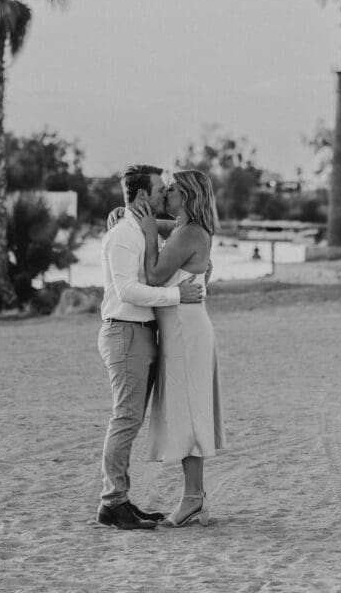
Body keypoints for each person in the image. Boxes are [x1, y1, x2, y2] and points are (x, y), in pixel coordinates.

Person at [96, 165, 204, 531]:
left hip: (144, 331)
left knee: (131, 419)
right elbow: (128, 290)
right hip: (126, 331)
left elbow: (188, 236)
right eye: (159, 189)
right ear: (143, 196)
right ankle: (113, 503)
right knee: (125, 418)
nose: (163, 194)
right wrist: (177, 294)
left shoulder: (138, 229)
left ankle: (121, 500)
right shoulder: (125, 235)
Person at [131, 169, 226, 528]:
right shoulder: (189, 230)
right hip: (184, 330)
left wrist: (149, 233)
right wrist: (127, 217)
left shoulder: (188, 233)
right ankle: (195, 496)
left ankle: (192, 499)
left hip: (186, 333)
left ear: (184, 197)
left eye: (169, 191)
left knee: (188, 411)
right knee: (187, 409)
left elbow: (155, 275)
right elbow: (160, 231)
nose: (164, 196)